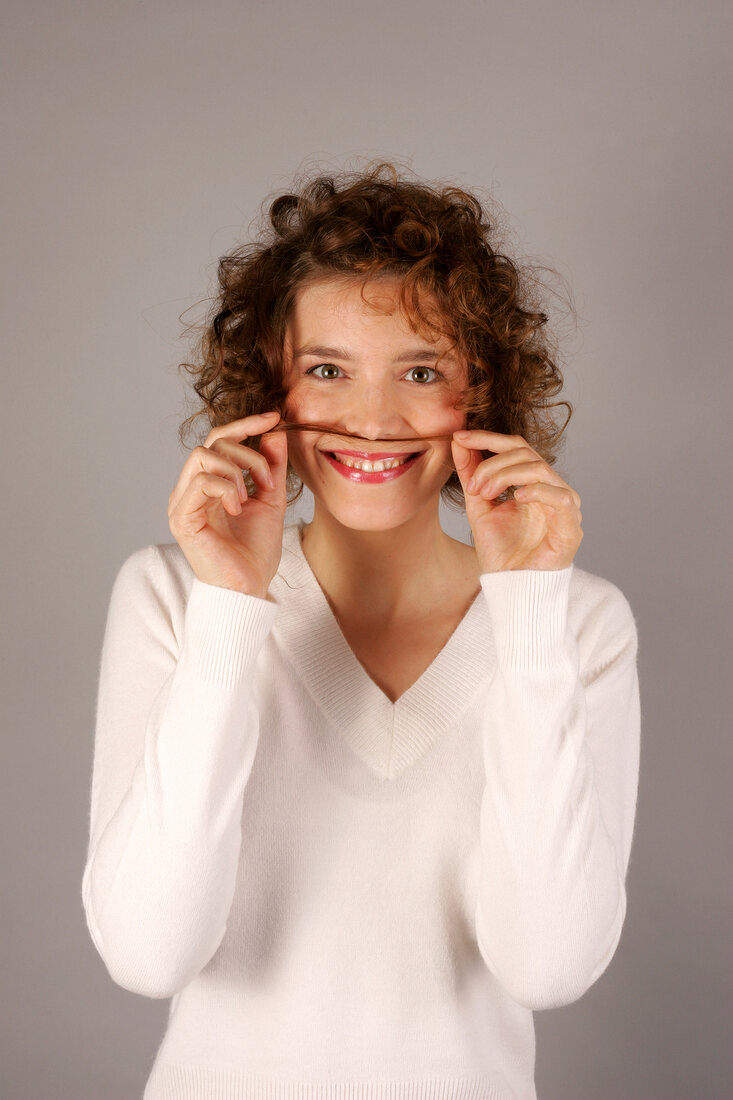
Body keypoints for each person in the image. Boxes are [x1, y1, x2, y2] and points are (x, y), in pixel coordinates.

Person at [81, 161, 641, 1100]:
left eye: (419, 372)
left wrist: (528, 610)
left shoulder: (577, 623)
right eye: (327, 371)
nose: (373, 421)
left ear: (481, 391)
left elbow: (547, 966)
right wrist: (231, 605)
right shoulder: (171, 600)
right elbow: (147, 953)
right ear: (270, 386)